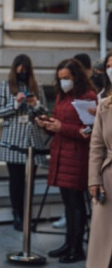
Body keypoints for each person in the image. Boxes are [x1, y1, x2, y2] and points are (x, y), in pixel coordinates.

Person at [35, 58, 97, 264]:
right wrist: (46, 123)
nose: (63, 82)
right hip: (61, 154)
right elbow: (59, 123)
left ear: (76, 77)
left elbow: (89, 130)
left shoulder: (87, 97)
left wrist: (62, 128)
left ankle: (77, 247)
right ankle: (69, 243)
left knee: (76, 204)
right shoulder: (62, 96)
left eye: (67, 78)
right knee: (68, 204)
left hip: (77, 156)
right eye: (61, 78)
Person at [0, 54, 47, 231]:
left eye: (25, 71)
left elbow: (45, 112)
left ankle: (27, 215)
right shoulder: (5, 86)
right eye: (19, 71)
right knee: (16, 181)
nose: (22, 74)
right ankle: (17, 214)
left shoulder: (36, 85)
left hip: (32, 140)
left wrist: (35, 103)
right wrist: (15, 104)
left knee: (29, 181)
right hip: (13, 141)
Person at [87, 80, 112, 268]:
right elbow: (97, 146)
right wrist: (94, 180)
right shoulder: (105, 104)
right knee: (106, 245)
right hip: (109, 179)